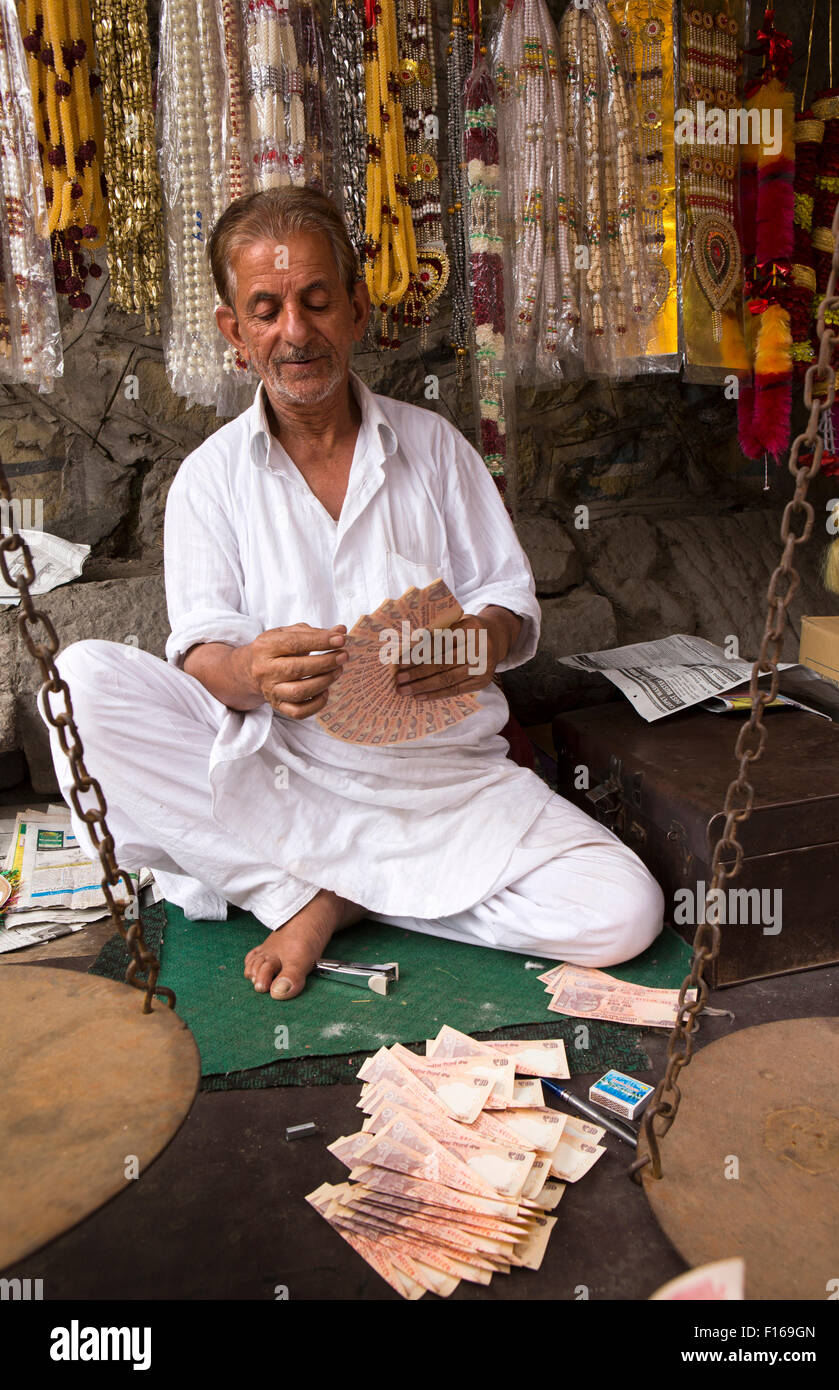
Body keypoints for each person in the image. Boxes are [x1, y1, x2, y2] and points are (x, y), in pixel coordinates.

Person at [43, 187, 663, 1000]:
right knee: (78, 687)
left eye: (316, 300)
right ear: (236, 334)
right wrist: (252, 672)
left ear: (357, 310)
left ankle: (333, 893)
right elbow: (200, 656)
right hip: (286, 773)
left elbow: (510, 602)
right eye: (265, 310)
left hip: (446, 787)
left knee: (623, 913)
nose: (294, 332)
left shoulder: (435, 448)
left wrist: (482, 641)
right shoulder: (209, 481)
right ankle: (317, 890)